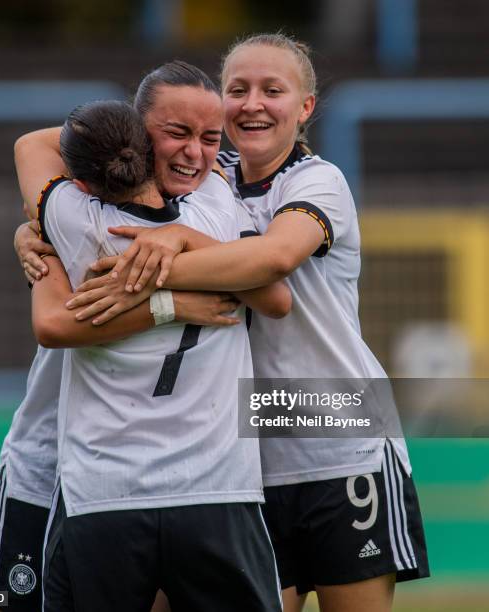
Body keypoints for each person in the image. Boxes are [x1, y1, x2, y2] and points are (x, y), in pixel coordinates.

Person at [68, 35, 430, 612]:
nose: (252, 103)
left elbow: (272, 264)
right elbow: (57, 147)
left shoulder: (317, 182)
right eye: (237, 89)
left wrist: (163, 258)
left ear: (305, 108)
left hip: (341, 438)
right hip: (248, 453)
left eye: (273, 90)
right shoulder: (204, 172)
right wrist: (32, 224)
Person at [0, 60, 289, 612]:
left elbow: (33, 146)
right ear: (138, 135)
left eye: (209, 138)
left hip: (104, 486)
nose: (196, 153)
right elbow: (275, 297)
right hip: (78, 469)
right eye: (175, 133)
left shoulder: (74, 219)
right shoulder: (217, 210)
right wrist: (173, 294)